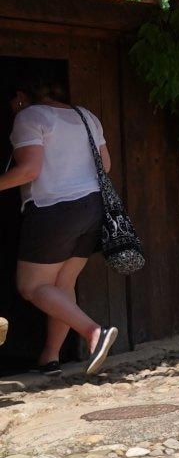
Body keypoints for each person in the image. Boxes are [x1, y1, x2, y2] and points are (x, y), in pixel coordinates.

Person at [2, 74, 118, 375]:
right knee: (62, 284)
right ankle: (50, 357)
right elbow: (104, 166)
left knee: (31, 286)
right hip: (92, 207)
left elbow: (29, 170)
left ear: (19, 96)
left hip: (53, 209)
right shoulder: (87, 116)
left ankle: (94, 332)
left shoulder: (30, 115)